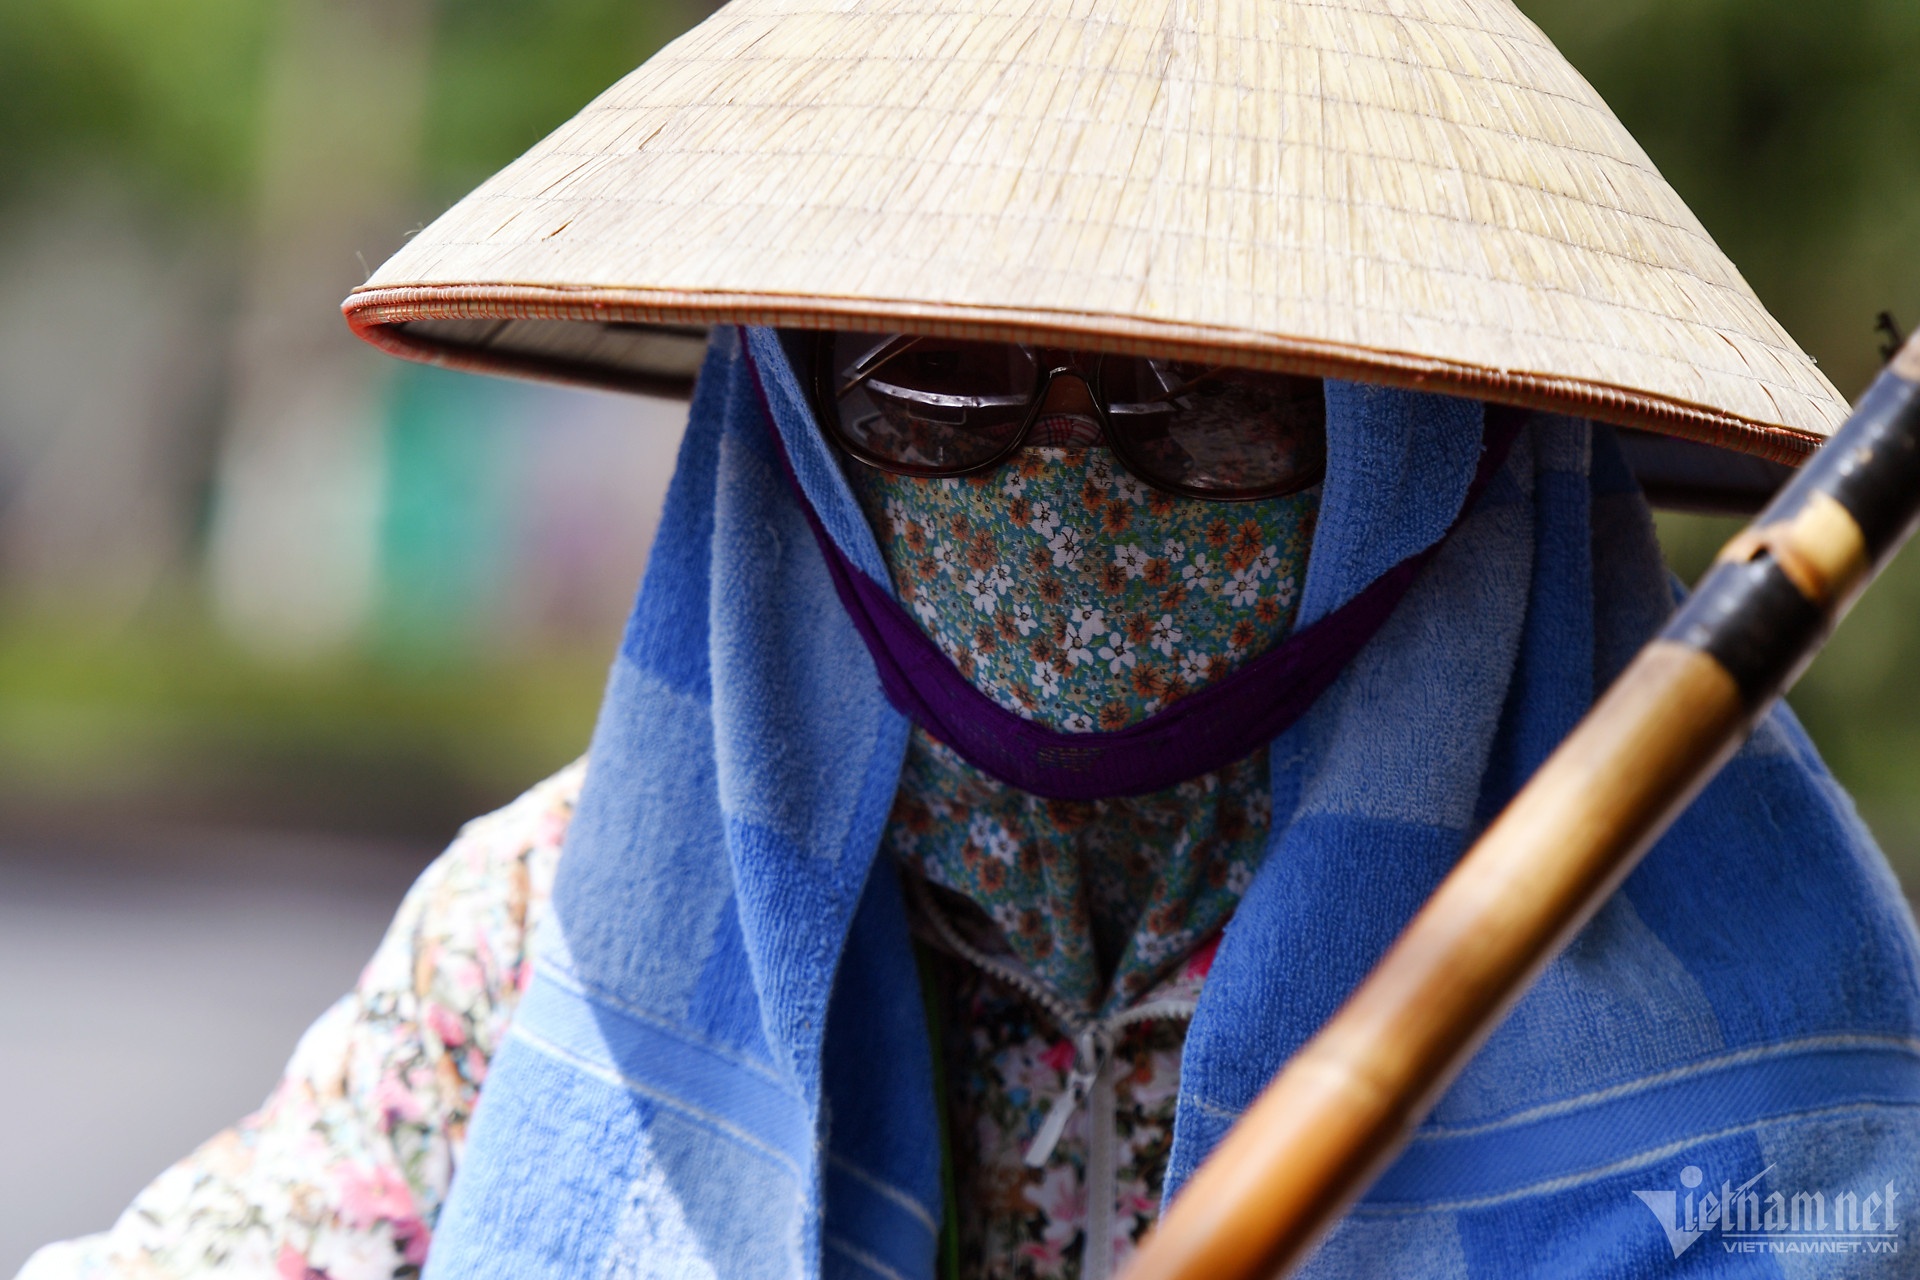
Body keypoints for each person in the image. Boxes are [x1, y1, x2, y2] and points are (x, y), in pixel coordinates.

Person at [25, 0, 1920, 1276]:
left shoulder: (1731, 1029)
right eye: (941, 387)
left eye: (1208, 398)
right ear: (789, 426)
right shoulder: (548, 936)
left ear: (1430, 443)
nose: (1070, 501)